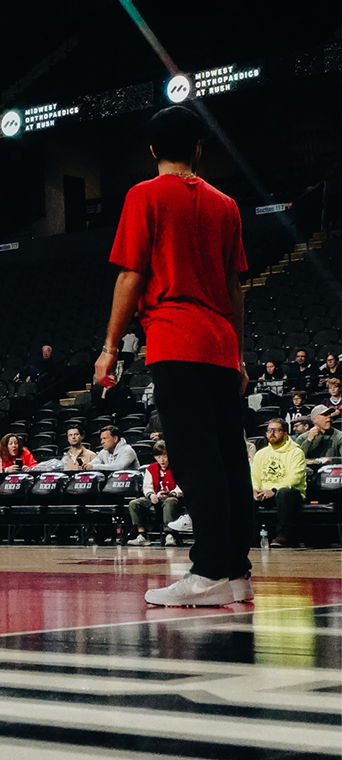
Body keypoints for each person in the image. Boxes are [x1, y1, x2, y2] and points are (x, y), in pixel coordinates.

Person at [95, 105, 252, 607]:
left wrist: (110, 347)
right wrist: (240, 354)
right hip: (222, 344)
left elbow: (130, 275)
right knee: (230, 458)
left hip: (175, 339)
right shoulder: (226, 204)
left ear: (152, 150)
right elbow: (234, 287)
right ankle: (237, 571)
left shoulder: (144, 195)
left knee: (194, 457)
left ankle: (206, 573)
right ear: (199, 148)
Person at [250, 418, 307, 548]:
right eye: (269, 430)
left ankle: (283, 535)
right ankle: (251, 537)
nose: (272, 433)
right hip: (265, 492)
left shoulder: (296, 452)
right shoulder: (261, 453)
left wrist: (274, 490)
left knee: (284, 493)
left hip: (291, 493)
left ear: (285, 433)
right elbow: (254, 475)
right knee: (247, 495)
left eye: (276, 430)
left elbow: (295, 478)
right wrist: (255, 489)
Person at [128, 441, 184, 546]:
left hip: (172, 497)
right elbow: (147, 486)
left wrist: (172, 493)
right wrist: (151, 495)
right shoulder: (151, 468)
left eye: (164, 457)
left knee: (170, 501)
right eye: (158, 457)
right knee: (134, 504)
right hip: (156, 496)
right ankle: (142, 535)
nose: (161, 460)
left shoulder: (177, 467)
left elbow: (181, 486)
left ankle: (169, 534)